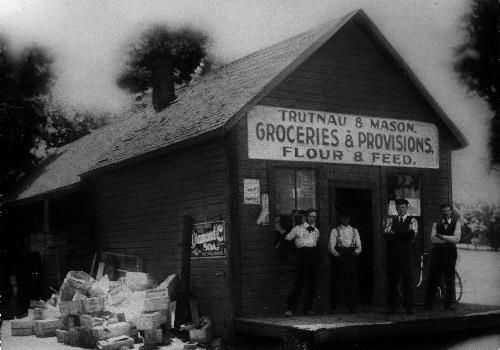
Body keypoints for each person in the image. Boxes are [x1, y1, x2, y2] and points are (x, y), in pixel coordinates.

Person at [424, 203, 461, 310]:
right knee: (433, 279)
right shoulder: (436, 224)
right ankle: (428, 305)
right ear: (441, 212)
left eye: (448, 210)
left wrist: (441, 237)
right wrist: (448, 239)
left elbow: (457, 239)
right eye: (443, 211)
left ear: (451, 211)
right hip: (437, 255)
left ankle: (448, 305)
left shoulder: (456, 224)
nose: (446, 213)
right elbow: (432, 239)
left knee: (449, 280)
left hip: (450, 255)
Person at [284, 208, 320, 316]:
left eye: (314, 217)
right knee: (299, 283)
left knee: (312, 283)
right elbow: (287, 239)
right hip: (302, 256)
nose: (312, 218)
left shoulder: (317, 231)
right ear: (306, 217)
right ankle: (291, 308)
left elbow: (316, 243)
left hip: (313, 256)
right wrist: (292, 254)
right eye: (311, 216)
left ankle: (307, 308)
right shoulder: (297, 229)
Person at [384, 198, 417, 314]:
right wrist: (403, 234)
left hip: (406, 256)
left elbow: (412, 235)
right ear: (396, 209)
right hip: (393, 255)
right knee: (393, 281)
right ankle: (393, 306)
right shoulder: (391, 220)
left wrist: (395, 234)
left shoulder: (412, 220)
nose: (401, 209)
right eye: (398, 207)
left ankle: (409, 307)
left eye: (403, 207)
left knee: (407, 281)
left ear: (406, 208)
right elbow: (386, 236)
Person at [328, 213, 362, 313]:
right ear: (341, 219)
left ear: (349, 218)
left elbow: (359, 245)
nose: (345, 220)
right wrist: (336, 254)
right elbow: (331, 245)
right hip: (339, 256)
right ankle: (334, 305)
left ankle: (352, 305)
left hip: (351, 256)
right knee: (338, 280)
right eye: (343, 218)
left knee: (351, 280)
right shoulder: (335, 230)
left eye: (347, 218)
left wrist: (356, 251)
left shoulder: (354, 230)